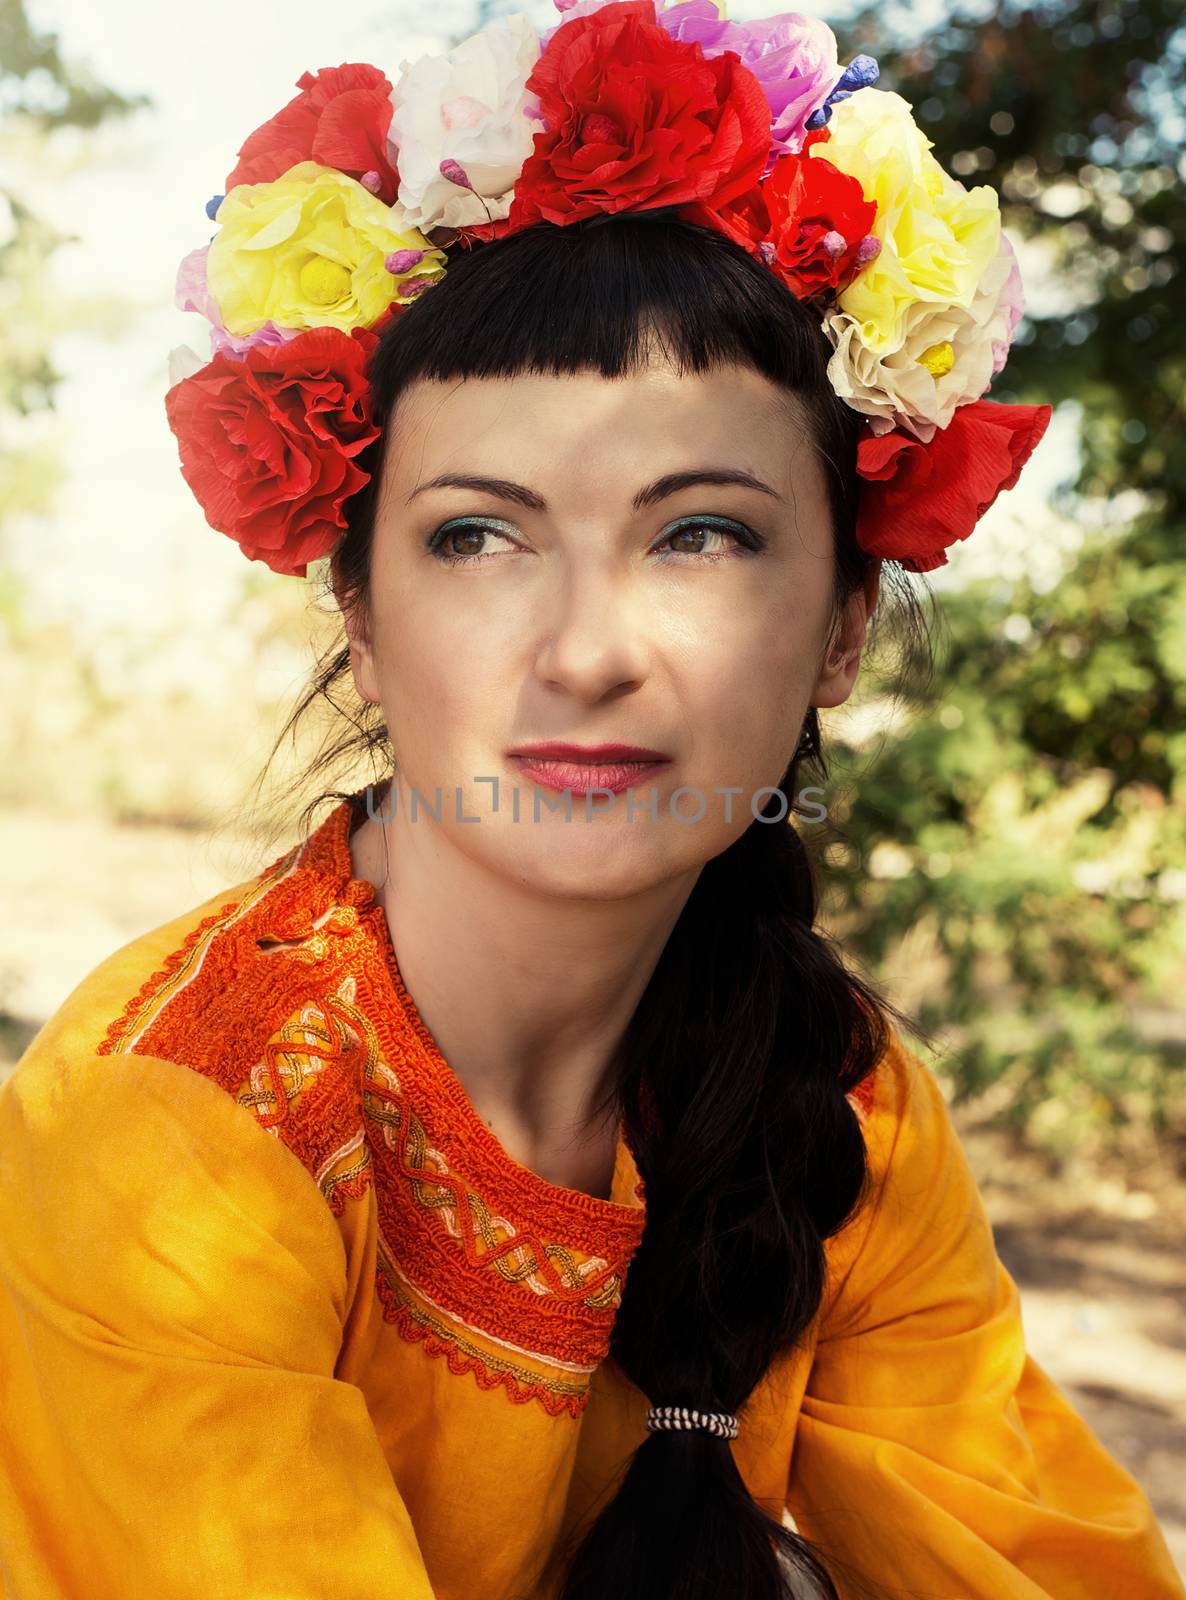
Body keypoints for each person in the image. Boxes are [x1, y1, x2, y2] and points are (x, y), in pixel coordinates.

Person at [1, 5, 1182, 1598]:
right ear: (358, 615)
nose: (585, 653)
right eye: (479, 536)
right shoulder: (177, 1120)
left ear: (841, 623)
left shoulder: (848, 1106)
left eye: (700, 533)